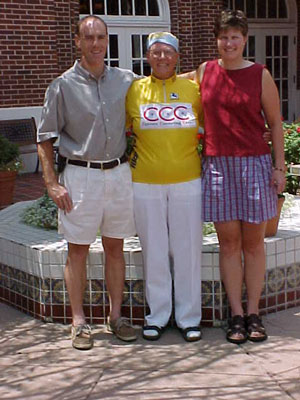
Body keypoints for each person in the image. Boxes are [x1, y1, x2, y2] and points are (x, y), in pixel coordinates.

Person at [37, 15, 138, 350]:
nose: (96, 44)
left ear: (107, 41)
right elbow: (45, 138)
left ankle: (115, 316)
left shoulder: (125, 80)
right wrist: (52, 183)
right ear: (77, 42)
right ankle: (79, 321)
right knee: (77, 250)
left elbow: (162, 82)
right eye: (89, 37)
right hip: (80, 175)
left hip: (119, 173)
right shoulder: (62, 85)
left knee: (115, 248)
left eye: (101, 37)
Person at [184, 9, 286, 344]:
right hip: (217, 166)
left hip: (254, 164)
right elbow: (167, 81)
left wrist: (279, 168)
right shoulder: (204, 71)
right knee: (229, 244)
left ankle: (254, 312)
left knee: (254, 244)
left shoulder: (260, 75)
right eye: (224, 36)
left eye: (235, 37)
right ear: (217, 39)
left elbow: (275, 124)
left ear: (244, 39)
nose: (229, 42)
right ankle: (236, 315)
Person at [126, 32, 203, 342]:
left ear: (177, 57)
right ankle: (156, 316)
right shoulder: (134, 90)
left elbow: (209, 126)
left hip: (188, 181)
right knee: (154, 251)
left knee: (187, 251)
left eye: (167, 52)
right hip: (145, 183)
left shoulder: (193, 90)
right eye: (155, 52)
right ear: (147, 56)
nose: (161, 58)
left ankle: (188, 318)